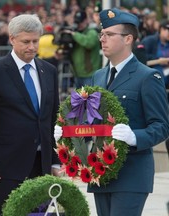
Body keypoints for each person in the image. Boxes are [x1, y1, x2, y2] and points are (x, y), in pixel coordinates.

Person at [0, 14, 60, 216]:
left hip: (42, 165)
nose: (31, 47)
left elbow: (52, 120)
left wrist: (55, 161)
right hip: (5, 168)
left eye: (35, 41)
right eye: (25, 42)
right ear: (12, 39)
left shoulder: (49, 71)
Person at [89, 8, 169, 216]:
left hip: (131, 173)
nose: (103, 39)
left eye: (109, 34)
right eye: (102, 34)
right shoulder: (99, 76)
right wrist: (70, 131)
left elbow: (161, 126)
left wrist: (135, 137)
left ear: (128, 39)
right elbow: (93, 121)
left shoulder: (148, 77)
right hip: (101, 172)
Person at [63, 10, 101, 89]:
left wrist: (74, 34)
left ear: (86, 20)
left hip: (90, 75)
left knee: (91, 100)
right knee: (79, 101)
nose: (79, 24)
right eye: (77, 22)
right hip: (77, 75)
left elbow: (89, 43)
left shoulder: (91, 32)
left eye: (80, 22)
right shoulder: (76, 33)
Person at [141, 19, 169, 88]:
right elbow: (142, 58)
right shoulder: (149, 41)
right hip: (152, 79)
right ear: (161, 29)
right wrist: (159, 60)